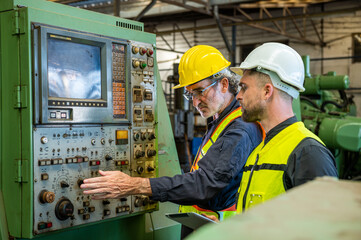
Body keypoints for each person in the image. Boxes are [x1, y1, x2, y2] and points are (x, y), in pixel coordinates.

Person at [81, 45, 263, 237]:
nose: (195, 102)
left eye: (200, 91)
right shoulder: (220, 120)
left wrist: (133, 185)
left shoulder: (239, 129)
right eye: (190, 94)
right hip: (203, 226)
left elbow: (204, 183)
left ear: (224, 84)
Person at [230, 42, 338, 213]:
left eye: (244, 87)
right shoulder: (261, 150)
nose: (238, 96)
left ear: (267, 91)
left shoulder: (308, 153)